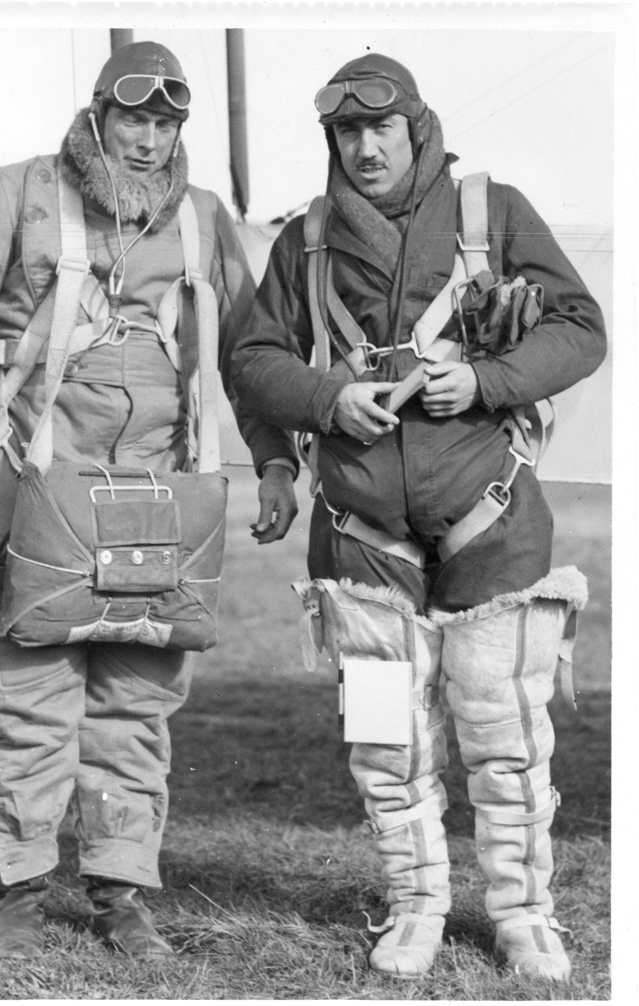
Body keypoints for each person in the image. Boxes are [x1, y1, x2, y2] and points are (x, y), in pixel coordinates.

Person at [0, 40, 298, 961]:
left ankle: (121, 891)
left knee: (138, 701)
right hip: (35, 491)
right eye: (134, 120)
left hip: (160, 506)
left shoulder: (204, 221)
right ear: (97, 117)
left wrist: (275, 461)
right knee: (29, 700)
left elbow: (251, 357)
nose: (150, 140)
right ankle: (18, 889)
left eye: (166, 124)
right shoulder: (18, 190)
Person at [232, 53, 606, 981]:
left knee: (507, 729)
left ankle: (525, 916)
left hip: (492, 512)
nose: (365, 147)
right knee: (383, 734)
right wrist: (326, 399)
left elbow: (581, 328)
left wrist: (483, 379)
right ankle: (414, 906)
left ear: (417, 128)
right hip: (360, 531)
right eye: (347, 132)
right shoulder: (306, 240)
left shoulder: (493, 212)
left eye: (380, 129)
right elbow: (253, 356)